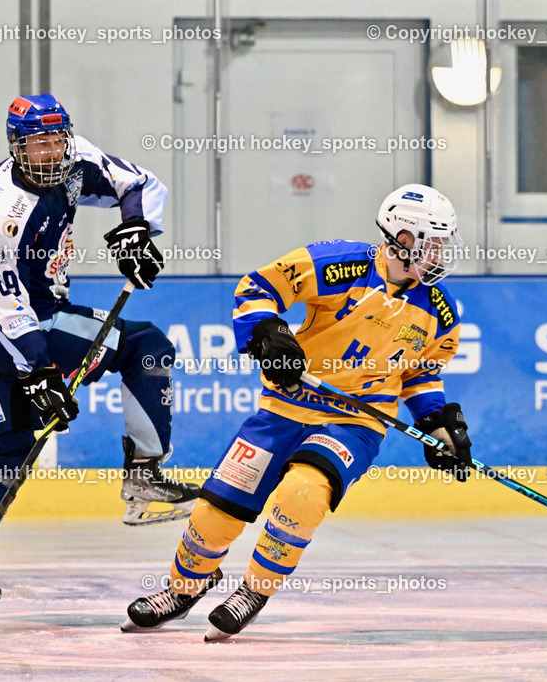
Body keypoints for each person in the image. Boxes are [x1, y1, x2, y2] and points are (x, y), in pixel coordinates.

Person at [122, 183, 471, 641]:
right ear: (401, 238)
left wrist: (438, 424)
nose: (441, 254)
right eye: (433, 242)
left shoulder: (441, 313)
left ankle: (254, 591)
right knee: (214, 514)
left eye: (446, 243)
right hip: (284, 407)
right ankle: (184, 589)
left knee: (302, 494)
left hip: (356, 422)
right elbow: (259, 287)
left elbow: (419, 376)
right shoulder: (340, 263)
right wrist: (270, 334)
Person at [0, 93, 200, 619]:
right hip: (11, 328)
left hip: (35, 320)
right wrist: (39, 371)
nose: (52, 150)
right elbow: (4, 303)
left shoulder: (74, 158)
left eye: (57, 137)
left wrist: (135, 231)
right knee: (144, 347)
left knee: (13, 446)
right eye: (38, 142)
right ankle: (143, 478)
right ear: (16, 147)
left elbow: (139, 184)